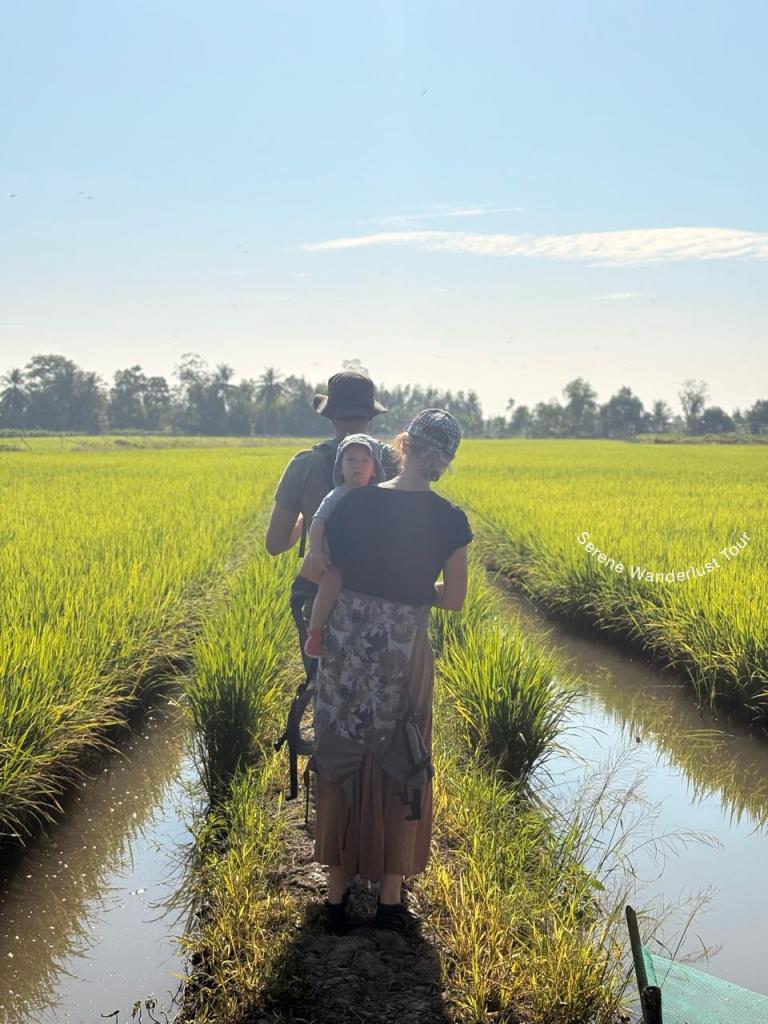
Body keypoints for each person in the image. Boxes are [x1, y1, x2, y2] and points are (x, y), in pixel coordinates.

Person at [306, 408, 473, 934]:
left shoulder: (354, 503)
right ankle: (389, 901)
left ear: (402, 444)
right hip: (404, 649)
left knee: (340, 749)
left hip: (346, 647)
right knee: (403, 753)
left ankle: (335, 897)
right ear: (445, 459)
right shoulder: (451, 520)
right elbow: (456, 600)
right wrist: (417, 589)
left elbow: (320, 570)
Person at [265, 371, 400, 673]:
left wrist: (308, 517)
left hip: (321, 597)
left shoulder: (304, 464)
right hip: (384, 596)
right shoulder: (393, 462)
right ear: (370, 415)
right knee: (376, 693)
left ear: (330, 416)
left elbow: (275, 544)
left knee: (325, 689)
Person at [299, 433, 387, 658]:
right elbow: (318, 522)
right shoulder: (336, 495)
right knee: (330, 583)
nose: (357, 466)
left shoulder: (379, 496)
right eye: (351, 460)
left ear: (374, 469)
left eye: (364, 461)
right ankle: (316, 632)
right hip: (338, 560)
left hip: (367, 563)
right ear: (340, 468)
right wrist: (316, 551)